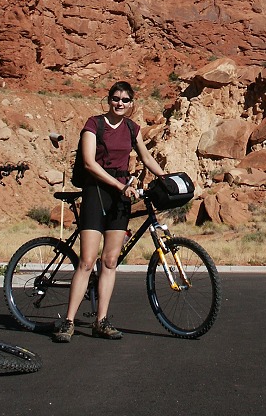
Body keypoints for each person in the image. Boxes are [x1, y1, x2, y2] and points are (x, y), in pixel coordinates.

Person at [53, 81, 165, 343]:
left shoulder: (131, 128)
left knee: (110, 261)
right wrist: (118, 185)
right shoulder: (94, 124)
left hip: (121, 197)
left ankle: (100, 321)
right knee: (86, 261)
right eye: (116, 98)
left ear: (131, 103)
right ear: (108, 100)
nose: (120, 103)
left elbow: (147, 158)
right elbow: (90, 163)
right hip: (97, 193)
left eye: (125, 100)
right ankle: (68, 322)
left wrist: (166, 178)